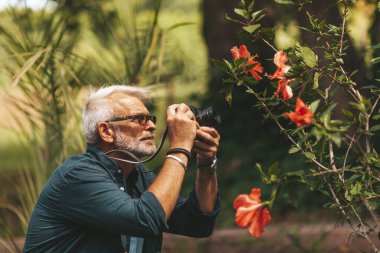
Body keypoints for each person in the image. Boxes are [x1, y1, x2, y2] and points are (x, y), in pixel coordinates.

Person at [23, 85, 221, 253]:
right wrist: (179, 148)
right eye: (139, 119)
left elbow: (198, 224)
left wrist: (206, 163)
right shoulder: (78, 176)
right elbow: (146, 219)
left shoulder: (137, 176)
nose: (152, 125)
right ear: (106, 131)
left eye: (150, 118)